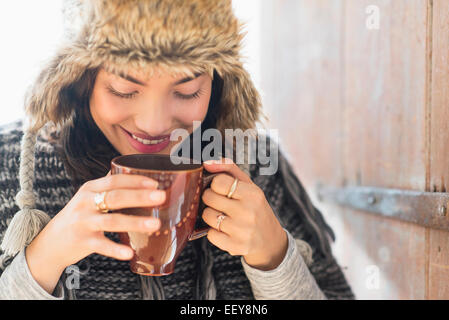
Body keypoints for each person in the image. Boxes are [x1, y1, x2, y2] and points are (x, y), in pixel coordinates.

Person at [0, 0, 354, 300]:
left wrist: (274, 258)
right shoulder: (10, 163)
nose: (154, 125)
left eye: (187, 91)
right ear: (79, 79)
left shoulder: (255, 165)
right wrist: (41, 262)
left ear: (217, 84)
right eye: (124, 89)